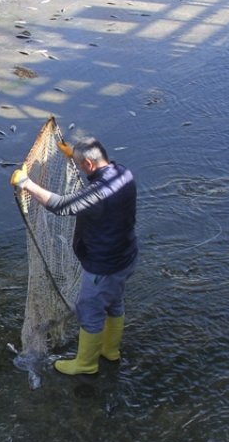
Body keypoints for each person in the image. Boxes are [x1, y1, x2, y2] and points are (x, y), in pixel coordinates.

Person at [11, 137, 137, 375]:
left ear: (89, 164)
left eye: (80, 164)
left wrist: (26, 183)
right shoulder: (122, 173)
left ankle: (86, 364)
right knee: (114, 302)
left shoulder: (99, 193)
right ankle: (110, 350)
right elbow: (92, 167)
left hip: (104, 266)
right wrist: (72, 155)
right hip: (126, 256)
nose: (78, 168)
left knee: (88, 309)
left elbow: (60, 205)